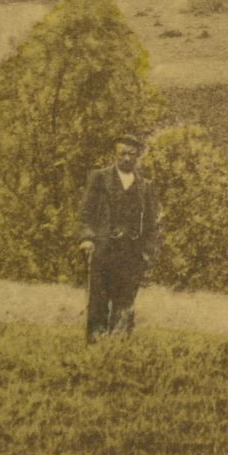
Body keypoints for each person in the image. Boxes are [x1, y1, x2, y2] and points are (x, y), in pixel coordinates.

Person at [77, 133, 162, 343]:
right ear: (115, 154)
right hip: (103, 250)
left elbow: (152, 224)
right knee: (98, 299)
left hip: (131, 253)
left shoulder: (145, 186)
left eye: (131, 154)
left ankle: (118, 346)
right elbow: (85, 214)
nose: (126, 158)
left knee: (125, 301)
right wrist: (87, 238)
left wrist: (147, 252)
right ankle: (96, 344)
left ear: (138, 156)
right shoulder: (99, 178)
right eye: (122, 153)